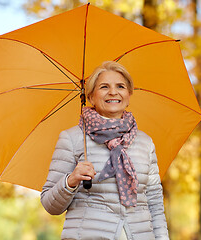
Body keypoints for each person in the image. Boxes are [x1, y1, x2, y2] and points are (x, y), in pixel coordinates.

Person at [41, 61, 169, 240]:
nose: (113, 92)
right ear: (91, 97)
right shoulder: (72, 138)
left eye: (120, 86)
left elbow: (154, 201)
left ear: (129, 94)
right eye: (104, 87)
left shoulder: (145, 142)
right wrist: (71, 180)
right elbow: (50, 205)